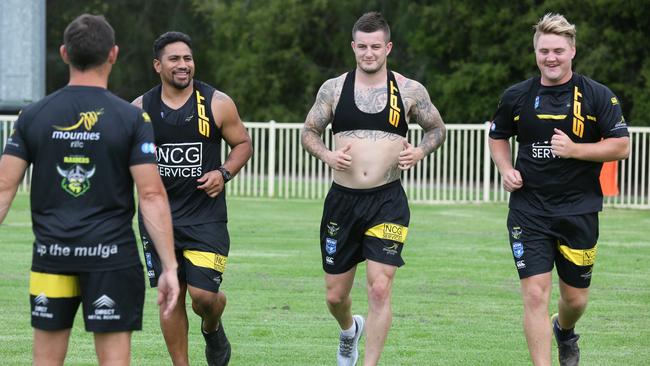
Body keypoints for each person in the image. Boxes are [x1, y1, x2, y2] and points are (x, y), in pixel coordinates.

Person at [0, 14, 179, 366]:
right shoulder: (132, 118)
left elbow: (4, 186)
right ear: (113, 54)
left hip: (53, 256)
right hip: (112, 258)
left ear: (65, 53)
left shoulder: (33, 116)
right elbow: (152, 195)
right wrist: (170, 267)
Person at [301, 12, 446, 366]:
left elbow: (437, 129)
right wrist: (328, 155)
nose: (369, 53)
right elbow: (308, 133)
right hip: (342, 201)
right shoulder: (333, 88)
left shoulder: (410, 90)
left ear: (388, 48)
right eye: (362, 47)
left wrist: (420, 151)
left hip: (387, 200)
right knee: (336, 296)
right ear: (353, 47)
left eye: (376, 47)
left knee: (380, 288)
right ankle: (349, 329)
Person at [488, 13, 630, 366]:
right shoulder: (517, 95)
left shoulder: (597, 95)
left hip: (579, 211)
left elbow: (622, 146)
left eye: (558, 51)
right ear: (535, 52)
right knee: (535, 295)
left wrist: (575, 150)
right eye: (544, 51)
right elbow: (497, 135)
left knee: (575, 301)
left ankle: (564, 330)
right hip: (529, 211)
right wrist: (506, 169)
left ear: (572, 52)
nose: (550, 58)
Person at [132, 31, 253, 366]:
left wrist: (224, 173)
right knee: (171, 297)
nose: (183, 65)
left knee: (203, 297)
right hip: (158, 219)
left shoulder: (216, 103)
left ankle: (212, 327)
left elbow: (243, 144)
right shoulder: (140, 110)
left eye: (187, 58)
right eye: (174, 59)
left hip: (205, 217)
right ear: (158, 65)